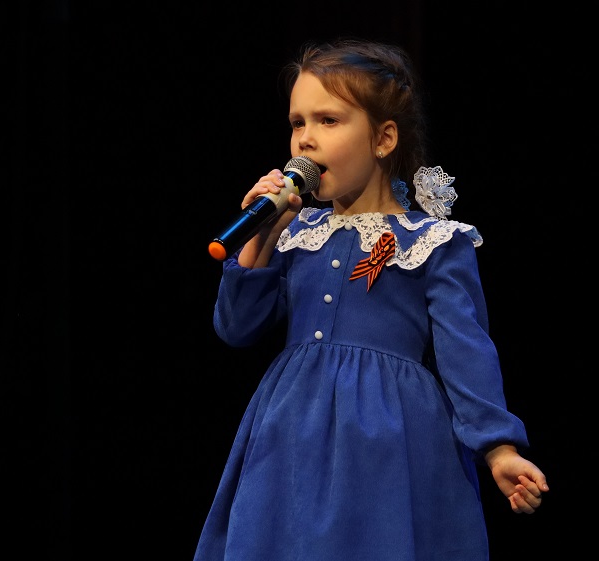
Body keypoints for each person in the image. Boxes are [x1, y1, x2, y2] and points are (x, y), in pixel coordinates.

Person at [195, 38, 549, 561]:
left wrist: (498, 448)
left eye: (328, 121)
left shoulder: (432, 241)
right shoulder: (297, 232)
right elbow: (237, 327)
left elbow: (465, 349)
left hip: (389, 437)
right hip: (291, 430)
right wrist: (263, 235)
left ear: (383, 139)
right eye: (297, 122)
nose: (305, 139)